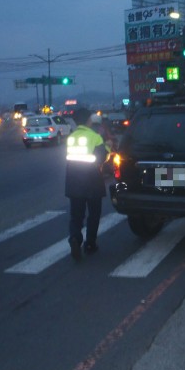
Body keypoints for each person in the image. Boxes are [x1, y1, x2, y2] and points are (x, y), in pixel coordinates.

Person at [65, 108, 108, 260]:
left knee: (76, 215)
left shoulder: (71, 137)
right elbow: (101, 158)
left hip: (73, 182)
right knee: (94, 214)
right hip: (92, 182)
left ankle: (75, 238)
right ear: (89, 121)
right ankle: (90, 244)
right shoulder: (95, 137)